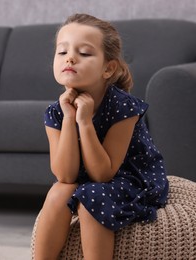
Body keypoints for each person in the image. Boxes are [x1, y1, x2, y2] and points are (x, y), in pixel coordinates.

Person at [34, 13, 169, 260]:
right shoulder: (55, 112)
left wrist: (84, 121)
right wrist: (68, 118)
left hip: (129, 177)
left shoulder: (123, 107)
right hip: (88, 175)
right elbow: (65, 175)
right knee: (58, 191)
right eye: (62, 52)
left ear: (108, 68)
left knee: (91, 196)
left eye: (84, 53)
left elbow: (103, 174)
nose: (70, 58)